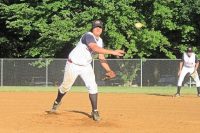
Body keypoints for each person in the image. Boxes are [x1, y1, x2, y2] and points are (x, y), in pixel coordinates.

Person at [47, 20, 124, 121]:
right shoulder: (88, 35)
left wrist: (109, 70)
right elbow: (94, 48)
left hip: (86, 66)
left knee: (93, 86)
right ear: (92, 28)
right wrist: (113, 52)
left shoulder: (100, 41)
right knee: (65, 87)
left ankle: (95, 111)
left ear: (102, 29)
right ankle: (57, 101)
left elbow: (101, 57)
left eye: (100, 27)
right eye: (96, 27)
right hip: (73, 64)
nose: (98, 29)